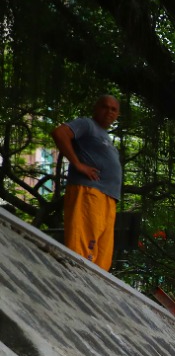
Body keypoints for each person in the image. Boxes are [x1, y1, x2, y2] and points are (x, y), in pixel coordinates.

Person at [51, 96, 123, 270]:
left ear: (117, 114)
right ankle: (74, 282)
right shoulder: (87, 124)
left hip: (107, 198)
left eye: (113, 109)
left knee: (101, 257)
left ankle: (91, 290)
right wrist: (77, 164)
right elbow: (59, 133)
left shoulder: (104, 135)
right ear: (95, 108)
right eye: (105, 107)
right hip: (89, 192)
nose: (109, 112)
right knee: (82, 250)